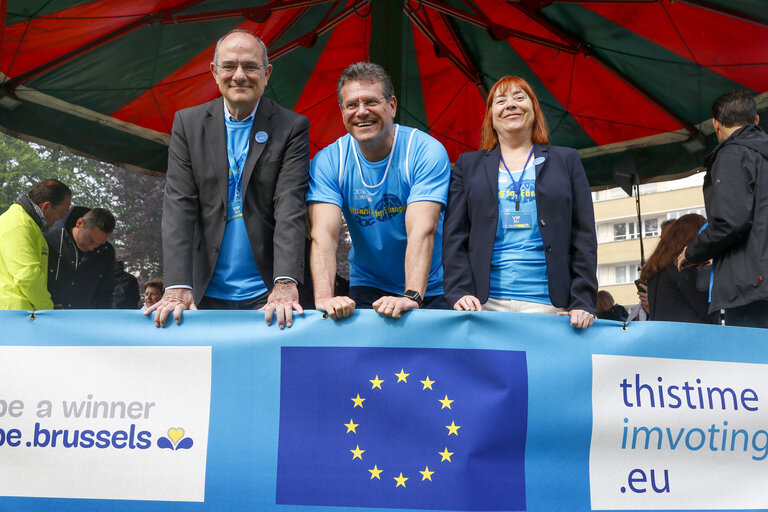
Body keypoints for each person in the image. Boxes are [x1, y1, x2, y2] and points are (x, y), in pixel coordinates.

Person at [147, 29, 310, 329]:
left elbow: (289, 205)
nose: (239, 76)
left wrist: (285, 281)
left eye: (250, 66)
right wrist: (177, 284)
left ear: (267, 73)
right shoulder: (188, 123)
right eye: (229, 66)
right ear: (214, 72)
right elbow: (179, 205)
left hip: (270, 293)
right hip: (200, 290)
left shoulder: (292, 127)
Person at [442, 76, 597, 328]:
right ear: (491, 116)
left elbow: (584, 236)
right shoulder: (467, 165)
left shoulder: (566, 160)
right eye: (500, 101)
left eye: (519, 97)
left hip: (552, 305)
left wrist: (582, 300)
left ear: (534, 110)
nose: (510, 104)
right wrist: (459, 291)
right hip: (484, 305)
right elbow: (454, 237)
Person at [308, 62, 450, 319]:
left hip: (430, 285)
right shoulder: (329, 161)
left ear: (392, 105)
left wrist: (411, 295)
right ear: (342, 112)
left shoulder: (424, 151)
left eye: (371, 102)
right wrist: (325, 299)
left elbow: (422, 231)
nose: (361, 112)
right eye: (351, 105)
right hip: (368, 282)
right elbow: (324, 235)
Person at [677, 90, 768, 328]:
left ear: (716, 124)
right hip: (758, 285)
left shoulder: (733, 153)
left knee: (745, 364)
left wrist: (692, 252)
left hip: (747, 291)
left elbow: (729, 221)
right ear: (755, 120)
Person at [0, 179, 71, 310]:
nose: (62, 217)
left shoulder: (29, 224)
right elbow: (27, 276)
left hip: (19, 313)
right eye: (62, 211)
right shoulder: (19, 225)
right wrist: (47, 310)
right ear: (46, 206)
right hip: (13, 316)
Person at [640, 214, 710, 323]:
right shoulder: (684, 268)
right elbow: (706, 312)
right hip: (690, 335)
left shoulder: (658, 268)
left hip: (665, 334)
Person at [45, 206, 115, 309]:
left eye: (99, 244)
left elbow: (105, 294)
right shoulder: (49, 240)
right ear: (79, 223)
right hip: (48, 315)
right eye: (90, 239)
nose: (92, 248)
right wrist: (43, 304)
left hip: (86, 320)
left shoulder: (106, 252)